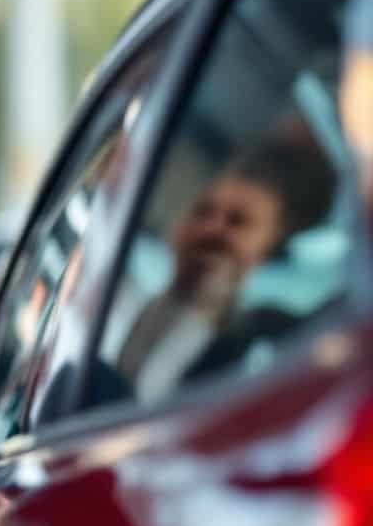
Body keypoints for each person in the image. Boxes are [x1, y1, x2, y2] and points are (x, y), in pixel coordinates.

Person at [99, 137, 337, 405]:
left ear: (267, 251)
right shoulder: (113, 303)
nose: (213, 229)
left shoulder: (270, 343)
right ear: (176, 227)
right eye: (203, 212)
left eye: (238, 221)